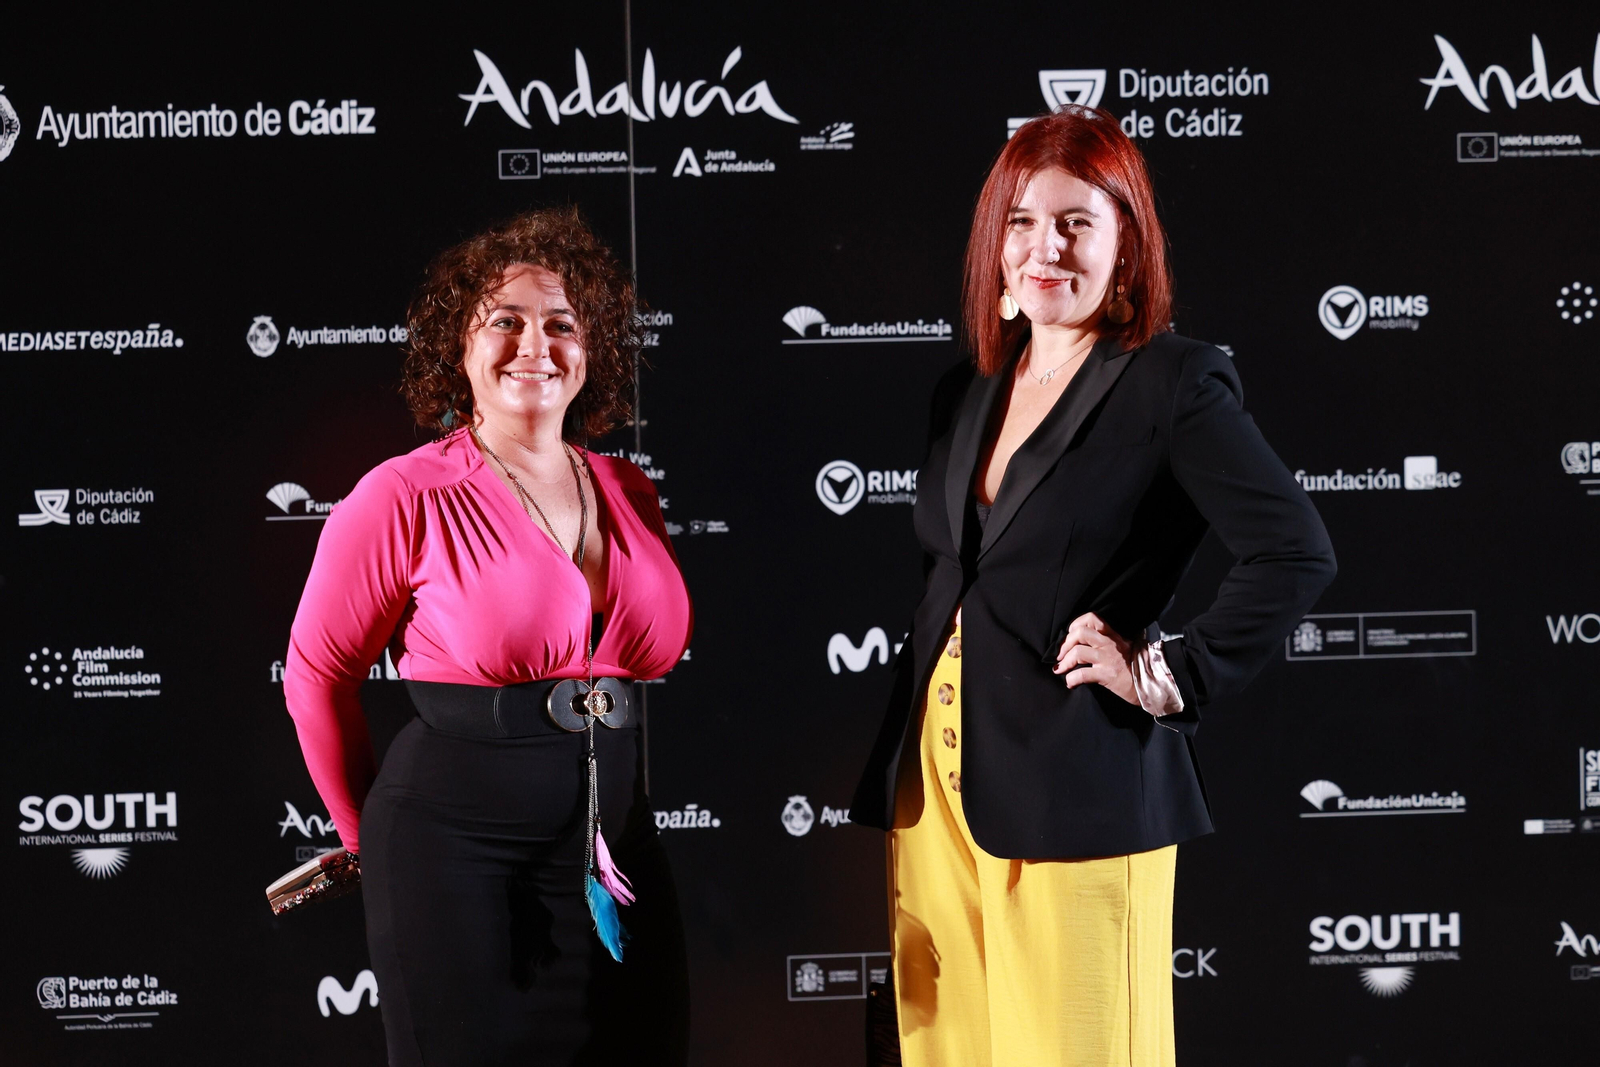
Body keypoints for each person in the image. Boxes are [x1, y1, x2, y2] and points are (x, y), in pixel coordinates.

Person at [851, 107, 1337, 1067]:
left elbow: (1295, 550)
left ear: (1127, 247)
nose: (1046, 248)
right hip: (940, 793)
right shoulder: (968, 390)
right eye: (1023, 222)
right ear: (995, 247)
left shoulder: (1173, 384)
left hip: (1081, 792)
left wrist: (1166, 671)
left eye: (1078, 221)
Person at [284, 208, 692, 1066]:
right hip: (453, 851)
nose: (533, 344)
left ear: (593, 350)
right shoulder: (404, 494)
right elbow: (316, 674)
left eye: (560, 323)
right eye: (502, 321)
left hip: (611, 836)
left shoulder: (627, 487)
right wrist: (367, 844)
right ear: (456, 348)